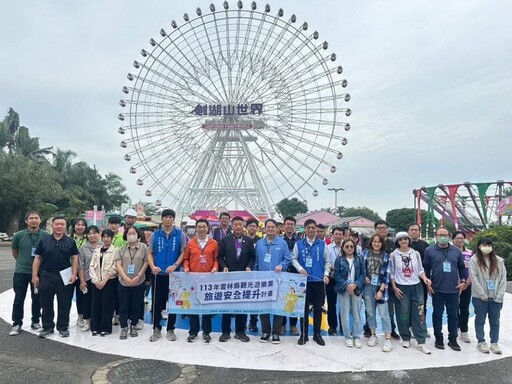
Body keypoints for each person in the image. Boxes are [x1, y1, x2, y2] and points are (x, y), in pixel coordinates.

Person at [32, 216, 79, 338]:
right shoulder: (44, 240)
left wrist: (74, 274)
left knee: (64, 303)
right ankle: (47, 327)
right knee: (46, 303)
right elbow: (37, 258)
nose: (59, 226)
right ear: (52, 226)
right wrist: (35, 275)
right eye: (57, 224)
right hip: (46, 275)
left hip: (64, 275)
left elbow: (74, 258)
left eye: (62, 224)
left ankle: (63, 327)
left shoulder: (70, 241)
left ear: (65, 226)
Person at [424, 227, 465, 351]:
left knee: (453, 315)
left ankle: (453, 339)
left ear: (449, 236)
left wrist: (463, 281)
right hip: (437, 289)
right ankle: (439, 338)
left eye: (445, 235)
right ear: (436, 236)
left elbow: (462, 268)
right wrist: (427, 284)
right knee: (437, 314)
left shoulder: (456, 251)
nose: (443, 237)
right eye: (440, 235)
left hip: (453, 289)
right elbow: (425, 269)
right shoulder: (429, 251)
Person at [147, 209, 186, 342]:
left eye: (170, 217)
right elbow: (150, 253)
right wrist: (152, 266)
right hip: (158, 274)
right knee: (157, 302)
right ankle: (156, 329)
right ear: (162, 219)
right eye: (165, 217)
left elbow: (183, 253)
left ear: (173, 219)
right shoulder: (155, 235)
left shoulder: (180, 235)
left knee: (174, 303)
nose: (168, 219)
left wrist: (175, 265)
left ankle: (170, 329)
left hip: (174, 275)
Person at [390, 231, 431, 354]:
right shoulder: (393, 255)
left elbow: (420, 270)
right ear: (397, 241)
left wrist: (424, 278)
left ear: (409, 240)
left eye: (405, 239)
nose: (403, 241)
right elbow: (391, 273)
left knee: (419, 312)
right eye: (401, 239)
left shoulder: (415, 253)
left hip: (416, 286)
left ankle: (421, 341)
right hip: (401, 286)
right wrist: (394, 287)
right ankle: (405, 337)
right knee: (403, 313)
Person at [9, 211, 50, 336]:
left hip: (39, 273)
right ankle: (16, 323)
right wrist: (23, 262)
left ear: (40, 220)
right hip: (21, 272)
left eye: (36, 218)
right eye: (31, 218)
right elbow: (15, 252)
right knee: (18, 298)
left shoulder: (46, 236)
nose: (33, 220)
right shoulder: (19, 236)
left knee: (37, 298)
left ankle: (35, 321)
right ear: (26, 221)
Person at [291, 219, 330, 346]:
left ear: (316, 229)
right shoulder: (299, 244)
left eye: (313, 228)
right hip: (303, 282)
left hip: (318, 281)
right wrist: (300, 269)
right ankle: (304, 334)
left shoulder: (323, 245)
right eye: (308, 228)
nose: (311, 230)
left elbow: (327, 262)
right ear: (305, 229)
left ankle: (317, 334)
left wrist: (325, 275)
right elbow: (294, 259)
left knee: (318, 308)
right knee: (303, 308)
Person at [218, 216, 255, 343]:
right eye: (236, 224)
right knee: (226, 305)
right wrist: (224, 267)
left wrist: (249, 267)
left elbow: (252, 257)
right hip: (228, 278)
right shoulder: (225, 240)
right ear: (231, 226)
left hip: (243, 278)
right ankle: (225, 332)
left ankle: (240, 331)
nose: (238, 227)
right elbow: (220, 257)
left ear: (243, 226)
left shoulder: (249, 241)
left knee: (242, 305)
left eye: (240, 224)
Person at [254, 219, 291, 344]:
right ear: (264, 229)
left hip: (278, 280)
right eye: (268, 227)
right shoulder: (259, 243)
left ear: (277, 229)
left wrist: (281, 265)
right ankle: (265, 331)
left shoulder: (282, 243)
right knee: (263, 306)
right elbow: (256, 261)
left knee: (278, 306)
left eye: (272, 227)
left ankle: (276, 332)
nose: (270, 229)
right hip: (263, 281)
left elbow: (287, 259)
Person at [183, 219, 218, 343]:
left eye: (204, 227)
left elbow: (216, 259)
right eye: (199, 227)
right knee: (193, 306)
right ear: (196, 229)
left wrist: (215, 267)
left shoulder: (214, 243)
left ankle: (207, 332)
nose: (202, 229)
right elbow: (186, 258)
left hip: (208, 279)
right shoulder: (191, 243)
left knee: (207, 306)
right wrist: (186, 267)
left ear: (208, 229)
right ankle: (193, 331)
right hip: (193, 279)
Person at [470, 237, 507, 354]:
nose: (486, 247)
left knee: (495, 321)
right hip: (480, 297)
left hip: (496, 297)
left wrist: (499, 295)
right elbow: (474, 278)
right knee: (480, 320)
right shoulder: (474, 260)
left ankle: (494, 343)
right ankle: (481, 341)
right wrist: (482, 294)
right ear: (479, 247)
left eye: (488, 245)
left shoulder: (499, 261)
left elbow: (503, 279)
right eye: (483, 245)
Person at [362, 234, 393, 352]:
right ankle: (373, 334)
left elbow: (388, 274)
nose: (376, 244)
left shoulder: (386, 256)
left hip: (381, 287)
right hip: (368, 287)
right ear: (371, 242)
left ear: (382, 243)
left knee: (384, 313)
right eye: (374, 242)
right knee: (370, 312)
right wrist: (364, 277)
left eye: (379, 242)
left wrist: (381, 289)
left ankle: (388, 339)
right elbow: (361, 268)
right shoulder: (364, 253)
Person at [116, 226, 148, 340]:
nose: (131, 235)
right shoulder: (122, 248)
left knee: (136, 305)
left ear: (138, 235)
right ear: (126, 235)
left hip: (139, 281)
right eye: (129, 233)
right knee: (123, 305)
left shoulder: (144, 247)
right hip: (123, 282)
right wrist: (125, 277)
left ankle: (133, 325)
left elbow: (146, 263)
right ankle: (124, 327)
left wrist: (138, 276)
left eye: (133, 233)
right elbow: (118, 265)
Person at [334, 238, 364, 348]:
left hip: (356, 288)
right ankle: (348, 337)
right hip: (343, 289)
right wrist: (347, 285)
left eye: (351, 246)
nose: (349, 248)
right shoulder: (339, 260)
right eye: (347, 246)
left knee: (357, 314)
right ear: (343, 248)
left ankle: (356, 336)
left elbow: (362, 274)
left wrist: (355, 285)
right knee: (345, 314)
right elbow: (337, 275)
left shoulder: (359, 259)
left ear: (355, 247)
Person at [89, 229, 119, 336]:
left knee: (107, 305)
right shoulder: (97, 250)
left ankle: (105, 328)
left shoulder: (116, 250)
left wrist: (105, 280)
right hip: (96, 282)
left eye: (108, 237)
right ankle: (95, 327)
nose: (106, 239)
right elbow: (91, 266)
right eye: (104, 237)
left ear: (111, 238)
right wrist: (96, 280)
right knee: (95, 305)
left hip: (109, 282)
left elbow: (115, 267)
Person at [374, 219, 400, 340]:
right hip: (373, 282)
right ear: (375, 230)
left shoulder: (393, 244)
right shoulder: (370, 243)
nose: (382, 230)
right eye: (379, 228)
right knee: (370, 308)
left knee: (389, 309)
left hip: (388, 281)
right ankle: (369, 329)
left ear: (387, 229)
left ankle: (391, 330)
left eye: (384, 228)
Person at [408, 223, 431, 337]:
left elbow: (428, 265)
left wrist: (428, 280)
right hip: (406, 281)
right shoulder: (403, 245)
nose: (413, 232)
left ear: (419, 231)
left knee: (422, 305)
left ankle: (422, 327)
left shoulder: (426, 246)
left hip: (422, 280)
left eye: (416, 230)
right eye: (411, 230)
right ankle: (410, 327)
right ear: (408, 231)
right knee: (408, 305)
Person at [77, 225, 101, 332]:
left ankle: (98, 321)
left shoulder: (103, 246)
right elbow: (80, 266)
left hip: (100, 279)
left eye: (94, 233)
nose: (92, 235)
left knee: (99, 301)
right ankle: (87, 322)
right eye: (89, 233)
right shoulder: (83, 248)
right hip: (87, 278)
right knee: (87, 301)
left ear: (98, 234)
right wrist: (82, 281)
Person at [452, 231, 473, 343]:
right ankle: (454, 329)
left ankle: (464, 332)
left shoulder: (470, 253)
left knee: (464, 309)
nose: (459, 240)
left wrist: (467, 283)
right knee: (453, 308)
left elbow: (473, 270)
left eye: (461, 238)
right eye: (457, 238)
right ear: (453, 239)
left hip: (466, 285)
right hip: (452, 285)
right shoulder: (449, 252)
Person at [280, 216, 300, 336]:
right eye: (287, 224)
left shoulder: (299, 241)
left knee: (294, 299)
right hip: (283, 273)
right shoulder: (279, 240)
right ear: (283, 226)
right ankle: (282, 325)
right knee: (282, 299)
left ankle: (293, 325)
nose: (290, 226)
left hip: (296, 275)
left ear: (294, 226)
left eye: (292, 224)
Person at [70, 218, 88, 328]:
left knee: (82, 295)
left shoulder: (89, 238)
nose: (80, 227)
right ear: (74, 226)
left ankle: (82, 316)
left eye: (82, 225)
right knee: (67, 295)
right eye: (78, 224)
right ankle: (64, 318)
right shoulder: (68, 238)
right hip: (70, 271)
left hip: (83, 271)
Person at [326, 226, 343, 336]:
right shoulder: (327, 248)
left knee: (343, 303)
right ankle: (332, 327)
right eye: (336, 234)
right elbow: (326, 262)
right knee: (331, 304)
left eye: (340, 234)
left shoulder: (347, 247)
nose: (338, 236)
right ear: (332, 235)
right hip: (331, 278)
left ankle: (343, 325)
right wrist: (333, 269)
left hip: (343, 280)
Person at [245, 218, 261, 333]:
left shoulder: (261, 241)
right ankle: (243, 321)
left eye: (254, 226)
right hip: (244, 272)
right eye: (250, 226)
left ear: (257, 228)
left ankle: (253, 322)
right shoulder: (242, 240)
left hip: (256, 273)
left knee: (255, 298)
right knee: (243, 297)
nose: (252, 228)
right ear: (247, 227)